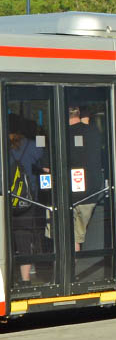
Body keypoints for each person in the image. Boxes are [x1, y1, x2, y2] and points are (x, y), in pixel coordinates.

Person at [8, 114, 48, 284]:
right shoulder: (31, 145)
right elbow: (45, 163)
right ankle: (25, 279)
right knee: (25, 237)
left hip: (7, 199)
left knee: (12, 237)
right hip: (28, 199)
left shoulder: (4, 145)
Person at [68, 105, 105, 252]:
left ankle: (70, 270)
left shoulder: (62, 132)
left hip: (69, 193)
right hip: (91, 191)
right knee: (77, 236)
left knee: (69, 236)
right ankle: (73, 267)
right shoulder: (94, 132)